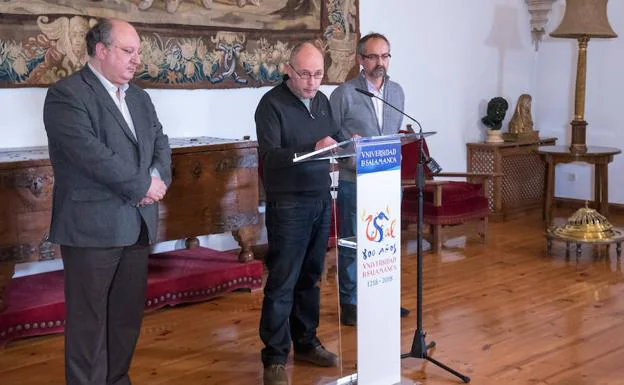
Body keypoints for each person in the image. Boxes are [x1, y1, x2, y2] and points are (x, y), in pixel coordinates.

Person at [43, 18, 172, 385]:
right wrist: (143, 186)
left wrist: (158, 178)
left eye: (138, 52)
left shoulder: (140, 97)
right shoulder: (67, 95)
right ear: (101, 51)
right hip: (92, 227)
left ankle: (117, 380)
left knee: (126, 318)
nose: (137, 60)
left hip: (137, 224)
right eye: (128, 51)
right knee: (88, 322)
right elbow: (92, 156)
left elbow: (160, 143)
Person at [255, 40, 345, 385]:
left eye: (318, 74)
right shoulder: (271, 105)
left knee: (311, 277)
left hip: (321, 199)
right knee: (283, 281)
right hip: (289, 203)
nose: (311, 82)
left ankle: (306, 343)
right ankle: (275, 356)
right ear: (289, 70)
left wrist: (349, 141)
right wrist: (312, 147)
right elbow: (271, 157)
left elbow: (335, 139)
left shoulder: (322, 102)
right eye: (304, 74)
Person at [329, 32, 408, 326]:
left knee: (384, 243)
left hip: (388, 180)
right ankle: (350, 301)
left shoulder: (397, 91)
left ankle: (382, 297)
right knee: (354, 241)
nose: (380, 62)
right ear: (360, 60)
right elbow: (332, 139)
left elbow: (394, 132)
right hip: (355, 179)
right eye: (373, 56)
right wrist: (352, 152)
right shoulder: (344, 94)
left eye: (385, 56)